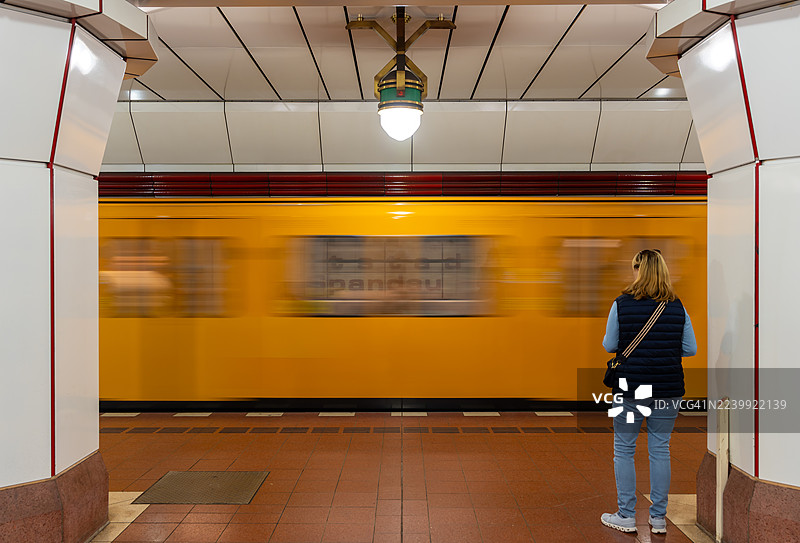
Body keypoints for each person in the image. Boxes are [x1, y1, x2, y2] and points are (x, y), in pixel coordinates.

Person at [600, 249, 697, 534]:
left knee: (624, 449)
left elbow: (609, 345)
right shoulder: (677, 306)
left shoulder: (621, 304)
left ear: (637, 270)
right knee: (659, 449)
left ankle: (626, 515)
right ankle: (657, 519)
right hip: (667, 388)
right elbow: (690, 349)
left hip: (631, 390)